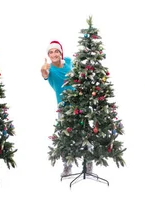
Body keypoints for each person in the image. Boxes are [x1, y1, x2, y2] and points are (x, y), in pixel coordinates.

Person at [41, 40, 94, 177]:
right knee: (66, 137)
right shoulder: (49, 69)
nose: (54, 54)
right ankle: (67, 166)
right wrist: (43, 70)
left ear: (61, 53)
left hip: (80, 103)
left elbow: (78, 70)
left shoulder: (69, 61)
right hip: (63, 108)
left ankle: (88, 164)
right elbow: (45, 75)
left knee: (86, 134)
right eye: (51, 52)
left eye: (56, 51)